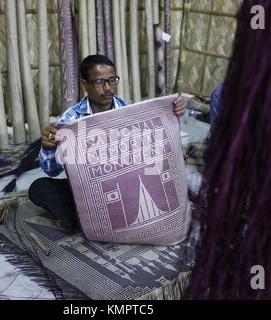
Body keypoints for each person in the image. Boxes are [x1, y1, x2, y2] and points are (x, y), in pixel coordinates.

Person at [28, 54, 186, 230]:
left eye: (112, 80)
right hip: (90, 190)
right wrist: (47, 147)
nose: (108, 87)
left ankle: (89, 220)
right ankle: (94, 219)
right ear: (84, 84)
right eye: (99, 82)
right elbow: (52, 171)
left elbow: (152, 152)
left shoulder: (129, 111)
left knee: (161, 175)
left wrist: (171, 114)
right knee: (39, 188)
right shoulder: (70, 121)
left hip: (128, 185)